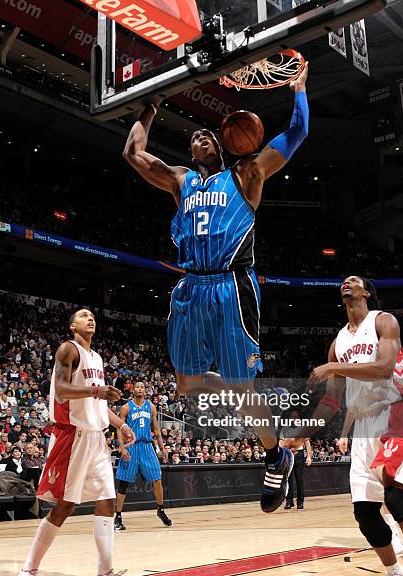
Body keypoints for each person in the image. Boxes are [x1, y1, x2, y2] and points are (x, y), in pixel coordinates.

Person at [123, 62, 309, 514]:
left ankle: (274, 455)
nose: (201, 139)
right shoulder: (181, 180)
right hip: (190, 288)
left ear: (224, 143)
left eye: (208, 136)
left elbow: (297, 131)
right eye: (193, 139)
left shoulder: (247, 174)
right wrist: (150, 106)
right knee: (187, 384)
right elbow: (133, 152)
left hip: (232, 285)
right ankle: (255, 414)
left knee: (241, 391)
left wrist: (298, 90)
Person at [299, 275, 403, 576]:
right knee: (365, 513)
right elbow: (332, 402)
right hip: (362, 424)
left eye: (354, 281)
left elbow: (385, 367)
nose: (347, 283)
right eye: (344, 281)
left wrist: (334, 366)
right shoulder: (338, 341)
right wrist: (304, 432)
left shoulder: (383, 321)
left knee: (397, 501)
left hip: (394, 416)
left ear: (366, 292)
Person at [12, 309, 142, 576]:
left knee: (107, 501)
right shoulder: (68, 349)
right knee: (65, 506)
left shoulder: (96, 358)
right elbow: (61, 391)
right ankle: (26, 574)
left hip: (97, 437)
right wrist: (97, 390)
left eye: (93, 315)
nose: (90, 318)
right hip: (73, 436)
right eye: (83, 316)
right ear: (73, 326)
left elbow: (97, 404)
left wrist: (121, 424)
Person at [114, 381, 171, 531]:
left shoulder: (151, 407)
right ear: (133, 390)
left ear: (145, 391)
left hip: (147, 446)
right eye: (137, 387)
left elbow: (156, 429)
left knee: (157, 478)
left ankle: (161, 509)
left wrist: (162, 448)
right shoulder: (126, 407)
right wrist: (122, 447)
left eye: (142, 387)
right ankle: (118, 517)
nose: (140, 389)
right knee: (124, 483)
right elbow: (119, 428)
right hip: (131, 447)